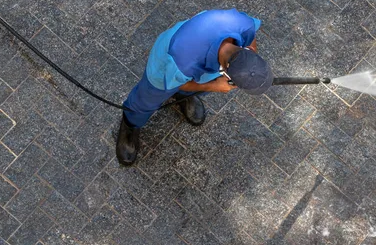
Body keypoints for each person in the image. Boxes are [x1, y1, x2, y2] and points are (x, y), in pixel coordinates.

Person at [117, 9, 274, 165]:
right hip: (167, 67)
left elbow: (251, 39)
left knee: (191, 88)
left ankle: (182, 96)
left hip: (194, 62)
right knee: (147, 99)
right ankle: (131, 123)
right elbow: (179, 81)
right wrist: (214, 86)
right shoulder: (184, 61)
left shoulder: (243, 25)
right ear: (225, 69)